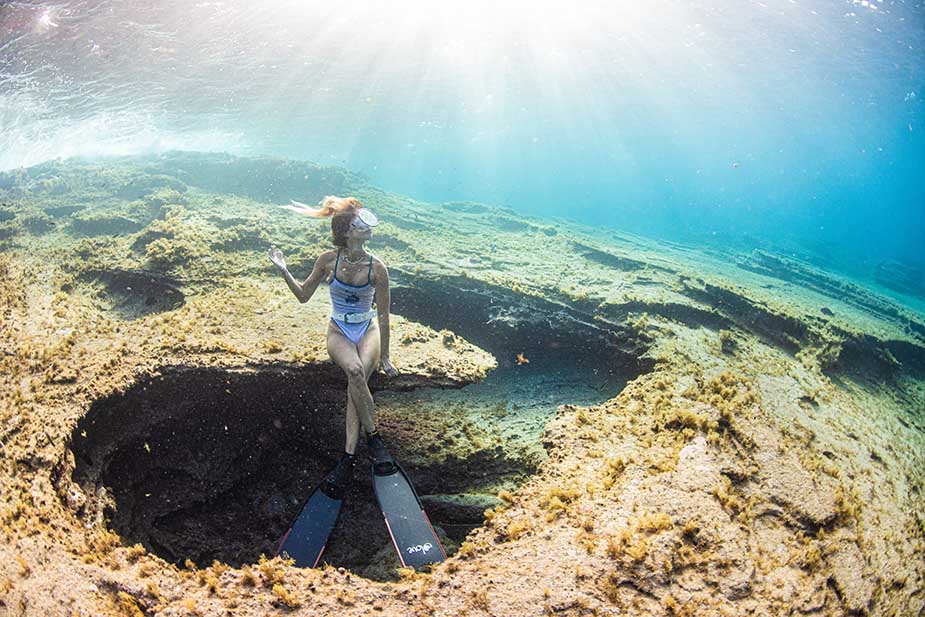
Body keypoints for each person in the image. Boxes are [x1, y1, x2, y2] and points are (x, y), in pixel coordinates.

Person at [268, 196, 400, 492]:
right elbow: (304, 296)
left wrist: (386, 356)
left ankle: (347, 459)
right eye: (359, 225)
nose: (367, 228)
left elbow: (383, 314)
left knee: (357, 379)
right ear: (346, 232)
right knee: (355, 372)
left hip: (367, 329)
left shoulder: (378, 268)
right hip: (339, 329)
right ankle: (375, 441)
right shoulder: (328, 260)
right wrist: (283, 269)